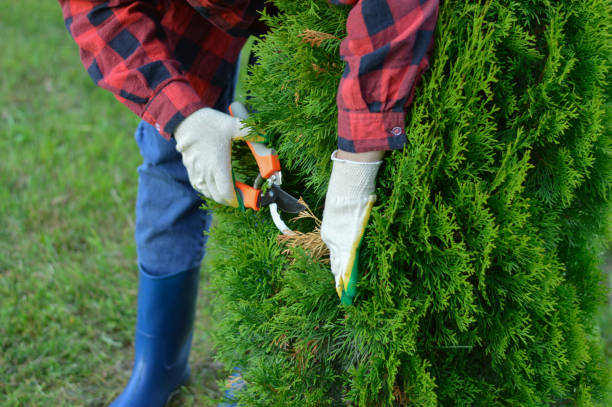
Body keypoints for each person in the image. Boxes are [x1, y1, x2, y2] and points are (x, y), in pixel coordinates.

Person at [58, 0, 439, 406]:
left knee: (290, 147)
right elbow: (95, 10)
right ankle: (157, 368)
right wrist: (182, 119)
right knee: (168, 156)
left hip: (309, 12)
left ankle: (264, 359)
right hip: (189, 11)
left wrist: (357, 162)